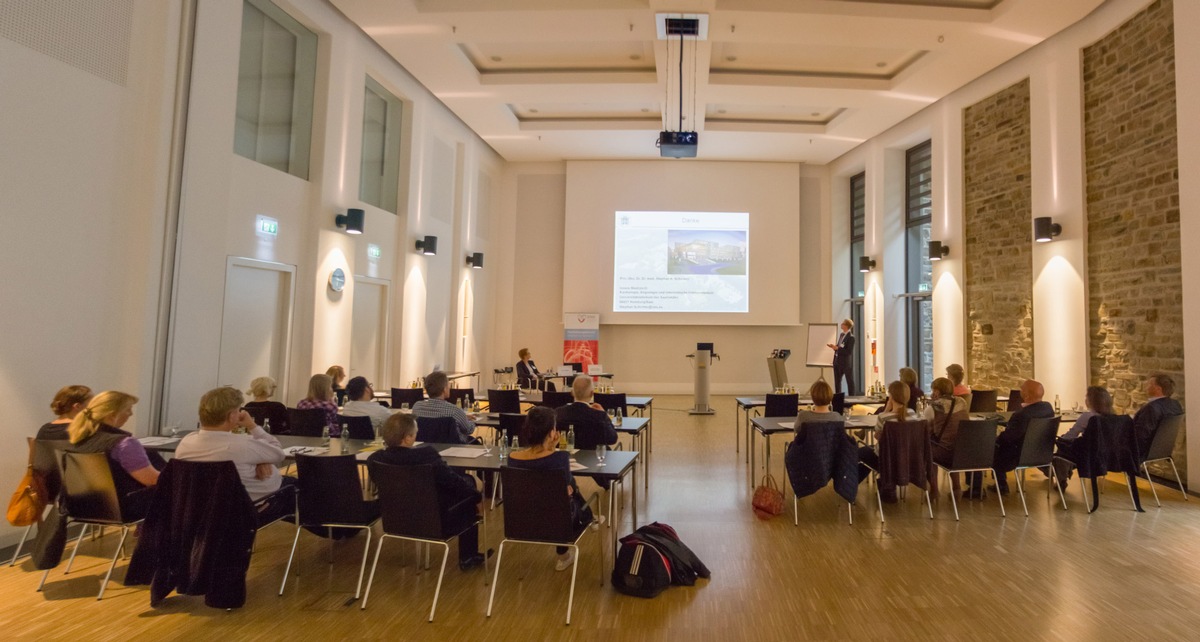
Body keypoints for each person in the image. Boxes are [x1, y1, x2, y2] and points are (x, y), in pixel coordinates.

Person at [367, 413, 488, 571]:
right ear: (408, 437)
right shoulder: (426, 455)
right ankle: (468, 557)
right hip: (435, 520)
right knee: (468, 493)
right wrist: (476, 496)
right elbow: (453, 482)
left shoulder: (374, 459)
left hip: (395, 520)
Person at [175, 386, 293, 525]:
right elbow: (278, 453)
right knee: (297, 488)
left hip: (200, 512)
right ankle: (323, 533)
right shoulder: (243, 444)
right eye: (238, 410)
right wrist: (252, 425)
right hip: (246, 512)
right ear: (232, 416)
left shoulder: (186, 443)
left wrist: (260, 461)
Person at [508, 407, 594, 571]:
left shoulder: (512, 458)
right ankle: (567, 550)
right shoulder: (560, 458)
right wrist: (553, 449)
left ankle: (590, 518)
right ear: (550, 433)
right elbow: (567, 485)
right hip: (559, 523)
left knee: (563, 493)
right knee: (569, 492)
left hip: (520, 523)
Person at [66, 391, 161, 519]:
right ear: (112, 416)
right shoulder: (124, 444)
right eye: (128, 409)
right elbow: (152, 480)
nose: (131, 414)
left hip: (80, 507)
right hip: (124, 508)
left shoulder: (77, 440)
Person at [974, 379, 1054, 496]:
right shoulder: (1048, 408)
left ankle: (979, 489)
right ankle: (999, 485)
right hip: (1040, 453)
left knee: (981, 448)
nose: (1020, 389)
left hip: (1015, 457)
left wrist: (994, 440)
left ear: (1026, 395)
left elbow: (1008, 438)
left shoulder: (1022, 415)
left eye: (1022, 388)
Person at [857, 381, 912, 502]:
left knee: (860, 453)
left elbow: (878, 437)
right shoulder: (915, 416)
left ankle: (851, 484)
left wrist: (886, 410)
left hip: (885, 460)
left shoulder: (884, 417)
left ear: (891, 397)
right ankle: (886, 487)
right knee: (868, 453)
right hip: (907, 460)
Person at [1052, 386, 1114, 487]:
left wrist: (1061, 439)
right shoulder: (1113, 417)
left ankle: (1061, 480)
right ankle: (1064, 473)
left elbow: (1071, 435)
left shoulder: (1088, 417)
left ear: (1091, 400)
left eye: (1086, 397)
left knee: (1062, 449)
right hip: (1106, 455)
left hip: (1088, 456)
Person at [927, 377, 969, 494]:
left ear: (936, 392)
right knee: (952, 443)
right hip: (963, 452)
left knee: (928, 449)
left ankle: (934, 489)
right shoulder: (962, 402)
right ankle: (956, 487)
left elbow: (927, 429)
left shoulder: (935, 407)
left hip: (945, 452)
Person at [553, 375, 617, 450]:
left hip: (566, 457)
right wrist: (605, 415)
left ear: (572, 393)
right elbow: (612, 439)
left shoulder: (558, 413)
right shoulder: (599, 415)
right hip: (594, 458)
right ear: (592, 393)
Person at [411, 371, 476, 442]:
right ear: (444, 389)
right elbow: (468, 429)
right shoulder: (455, 411)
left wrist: (462, 417)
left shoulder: (417, 407)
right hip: (453, 448)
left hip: (424, 447)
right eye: (448, 386)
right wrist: (470, 420)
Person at [1132, 373, 1183, 459]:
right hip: (1163, 451)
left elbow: (1140, 435)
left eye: (1149, 384)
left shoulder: (1151, 408)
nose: (1146, 387)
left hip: (1142, 451)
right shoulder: (1176, 405)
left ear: (1158, 389)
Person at [827, 319, 856, 396]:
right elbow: (839, 347)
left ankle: (852, 398)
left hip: (846, 363)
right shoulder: (841, 335)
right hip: (837, 362)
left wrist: (838, 349)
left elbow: (849, 351)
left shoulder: (851, 337)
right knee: (837, 382)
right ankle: (838, 398)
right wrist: (834, 347)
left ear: (846, 326)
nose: (841, 324)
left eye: (843, 323)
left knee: (849, 381)